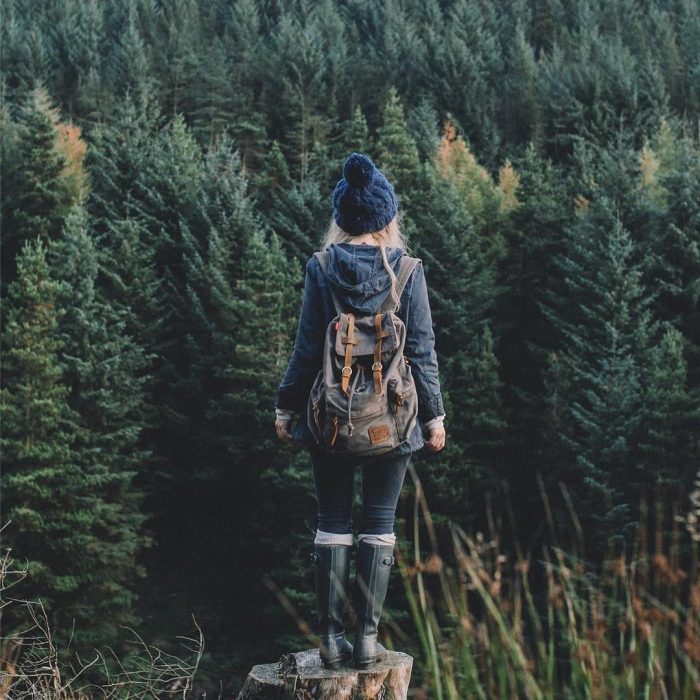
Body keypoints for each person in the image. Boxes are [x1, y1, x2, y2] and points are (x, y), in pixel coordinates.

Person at [274, 152, 446, 670]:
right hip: (393, 423)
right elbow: (422, 350)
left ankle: (329, 641)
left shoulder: (321, 267)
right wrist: (434, 417)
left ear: (342, 219)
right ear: (388, 218)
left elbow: (307, 349)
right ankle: (368, 642)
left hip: (328, 419)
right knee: (380, 523)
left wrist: (285, 409)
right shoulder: (408, 270)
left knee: (331, 522)